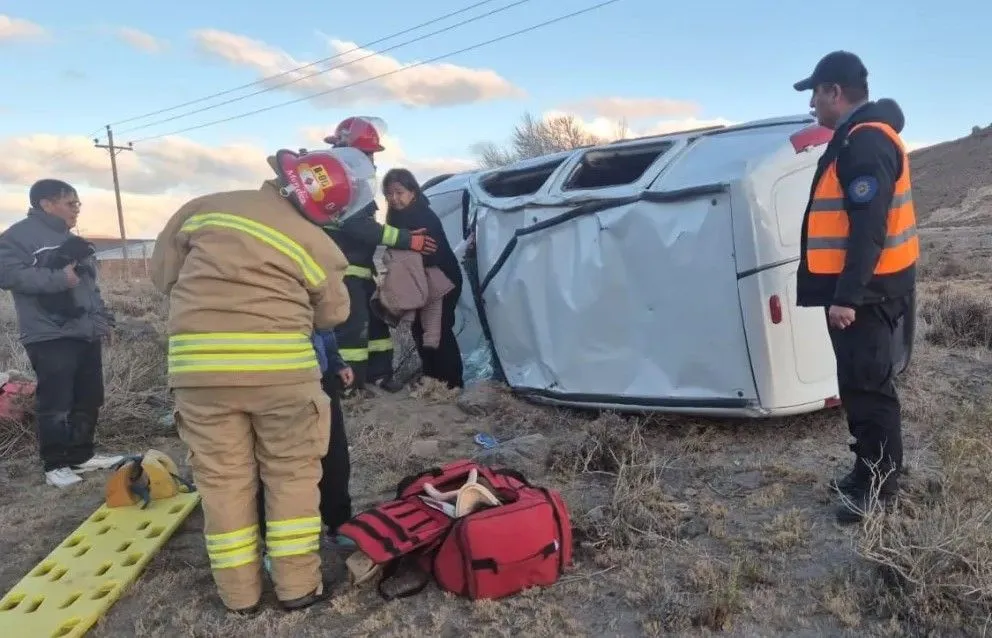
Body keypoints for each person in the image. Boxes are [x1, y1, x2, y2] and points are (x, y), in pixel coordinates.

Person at [149, 147, 364, 614]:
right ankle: (297, 587)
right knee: (292, 476)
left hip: (201, 376)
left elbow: (161, 275)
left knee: (222, 482)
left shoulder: (203, 210)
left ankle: (239, 596)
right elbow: (333, 314)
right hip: (283, 377)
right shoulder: (317, 243)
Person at [792, 51, 918, 524]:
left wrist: (848, 297)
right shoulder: (857, 137)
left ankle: (879, 486)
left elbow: (869, 227)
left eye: (815, 94)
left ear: (834, 91)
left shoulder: (865, 142)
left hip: (867, 295)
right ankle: (867, 469)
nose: (812, 105)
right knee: (858, 384)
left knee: (868, 388)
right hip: (869, 291)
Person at [0, 179, 123, 488]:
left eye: (77, 203)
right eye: (71, 203)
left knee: (89, 397)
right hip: (49, 333)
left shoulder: (71, 239)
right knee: (56, 401)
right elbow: (9, 274)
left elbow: (89, 287)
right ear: (46, 204)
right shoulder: (17, 237)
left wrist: (103, 321)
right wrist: (57, 278)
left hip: (85, 331)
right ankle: (55, 464)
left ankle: (81, 455)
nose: (76, 209)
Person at [321, 116, 439, 394]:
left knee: (376, 327)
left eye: (371, 155)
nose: (370, 161)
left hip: (361, 273)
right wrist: (409, 239)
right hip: (344, 273)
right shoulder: (339, 187)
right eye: (366, 154)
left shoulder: (351, 184)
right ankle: (349, 388)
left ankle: (380, 375)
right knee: (354, 329)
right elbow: (359, 227)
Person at [256, 329, 356, 573]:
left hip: (313, 374)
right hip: (261, 379)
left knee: (333, 454)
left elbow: (322, 318)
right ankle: (275, 544)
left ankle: (338, 523)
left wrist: (334, 361)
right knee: (274, 465)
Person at [383, 168, 465, 389]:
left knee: (438, 331)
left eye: (399, 192)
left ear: (413, 192)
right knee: (419, 330)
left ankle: (452, 384)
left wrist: (404, 251)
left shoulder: (422, 216)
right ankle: (431, 379)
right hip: (419, 283)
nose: (394, 198)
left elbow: (431, 254)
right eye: (389, 193)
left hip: (442, 281)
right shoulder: (395, 218)